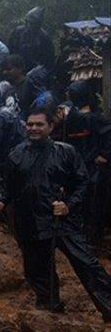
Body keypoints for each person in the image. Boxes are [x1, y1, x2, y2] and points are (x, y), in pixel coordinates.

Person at [0, 108, 111, 320]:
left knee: (87, 264)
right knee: (38, 269)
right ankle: (49, 308)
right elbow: (7, 186)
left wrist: (68, 204)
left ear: (50, 127)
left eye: (39, 124)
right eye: (30, 124)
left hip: (61, 220)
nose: (33, 128)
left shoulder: (66, 152)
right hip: (30, 221)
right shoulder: (16, 154)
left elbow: (82, 183)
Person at [58, 81, 111, 246]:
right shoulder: (72, 116)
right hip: (78, 163)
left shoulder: (93, 119)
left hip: (92, 166)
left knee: (93, 201)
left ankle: (92, 236)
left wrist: (104, 155)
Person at [7, 7, 55, 72]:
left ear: (38, 24)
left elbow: (48, 60)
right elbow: (11, 48)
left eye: (33, 23)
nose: (29, 25)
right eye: (28, 22)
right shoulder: (18, 32)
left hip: (34, 71)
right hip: (17, 68)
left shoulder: (44, 38)